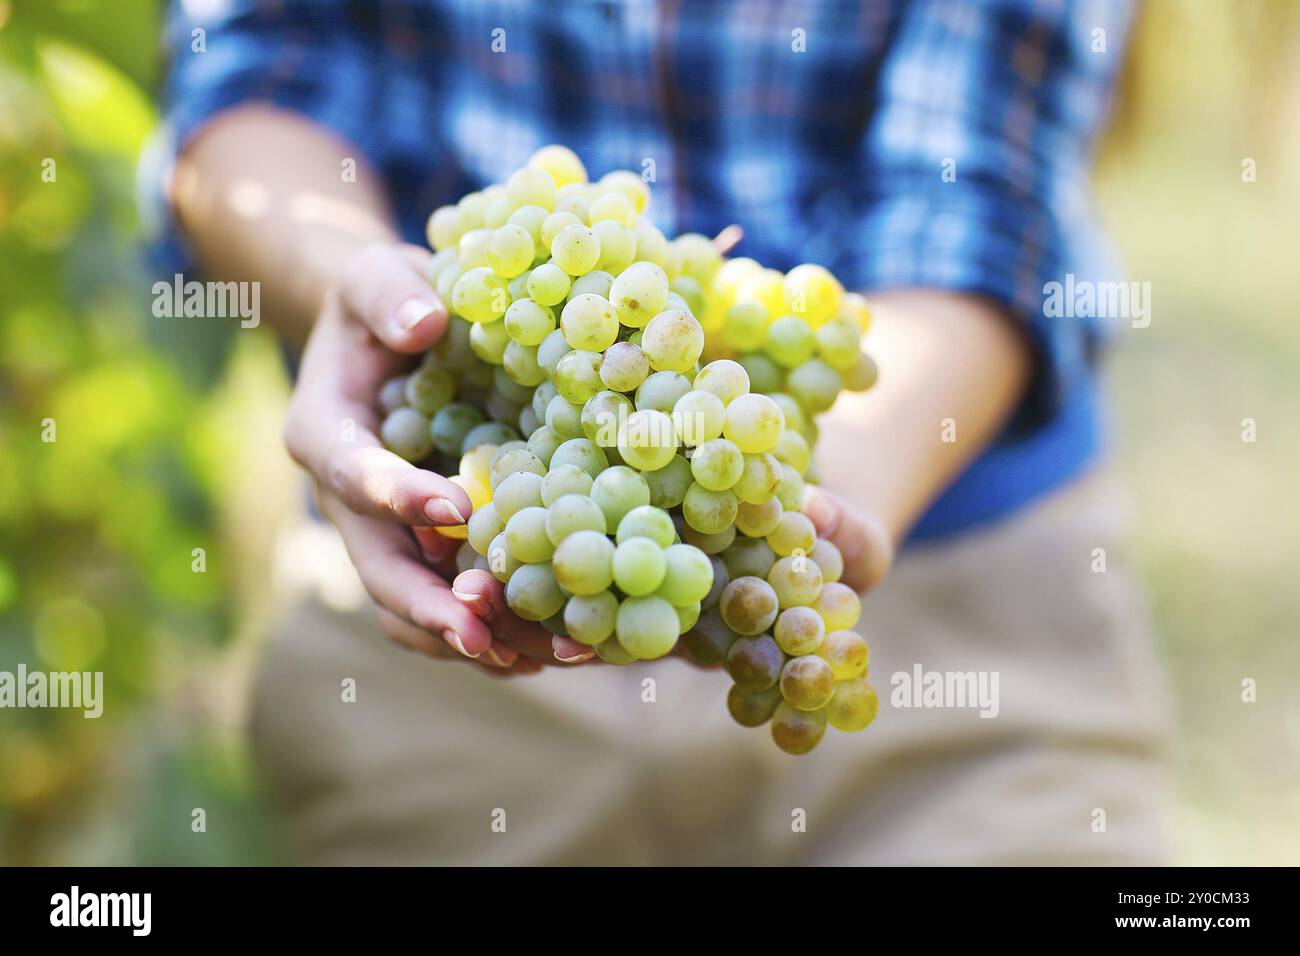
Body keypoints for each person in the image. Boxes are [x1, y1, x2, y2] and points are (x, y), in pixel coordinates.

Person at [157, 0, 1171, 864]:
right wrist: (348, 282)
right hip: (458, 565)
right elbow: (255, 71)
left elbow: (973, 191)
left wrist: (814, 495)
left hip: (950, 606)